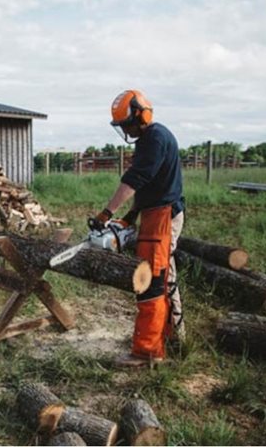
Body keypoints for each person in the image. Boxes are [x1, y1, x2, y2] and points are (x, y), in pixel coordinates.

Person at [91, 89, 185, 368]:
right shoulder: (150, 138)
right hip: (155, 214)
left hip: (163, 218)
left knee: (152, 284)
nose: (127, 130)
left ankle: (148, 352)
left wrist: (107, 213)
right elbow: (148, 186)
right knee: (164, 277)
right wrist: (130, 217)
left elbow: (136, 179)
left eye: (128, 124)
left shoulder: (155, 138)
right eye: (124, 126)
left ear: (142, 115)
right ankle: (174, 337)